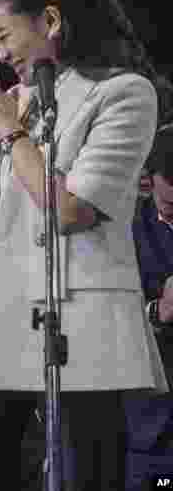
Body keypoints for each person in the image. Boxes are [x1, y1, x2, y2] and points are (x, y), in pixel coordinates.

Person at [0, 0, 167, 490]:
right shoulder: (13, 103)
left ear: (50, 20)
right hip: (2, 314)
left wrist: (10, 132)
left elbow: (70, 210)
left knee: (81, 476)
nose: (0, 54)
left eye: (4, 36)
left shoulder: (124, 92)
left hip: (83, 319)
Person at [124, 124, 173, 489]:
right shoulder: (124, 230)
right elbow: (107, 319)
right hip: (151, 425)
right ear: (149, 179)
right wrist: (158, 312)